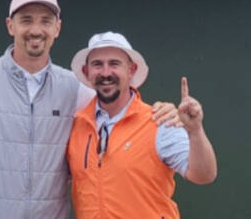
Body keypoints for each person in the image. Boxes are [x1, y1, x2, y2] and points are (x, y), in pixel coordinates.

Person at [0, 0, 180, 219]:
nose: (36, 30)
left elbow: (120, 114)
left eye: (45, 20)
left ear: (57, 28)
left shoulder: (75, 89)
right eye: (26, 20)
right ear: (10, 26)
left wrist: (163, 112)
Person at [67, 31, 218, 219]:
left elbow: (204, 175)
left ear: (131, 70)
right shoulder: (76, 126)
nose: (106, 73)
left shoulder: (160, 121)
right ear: (86, 72)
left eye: (114, 63)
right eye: (97, 64)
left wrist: (195, 131)